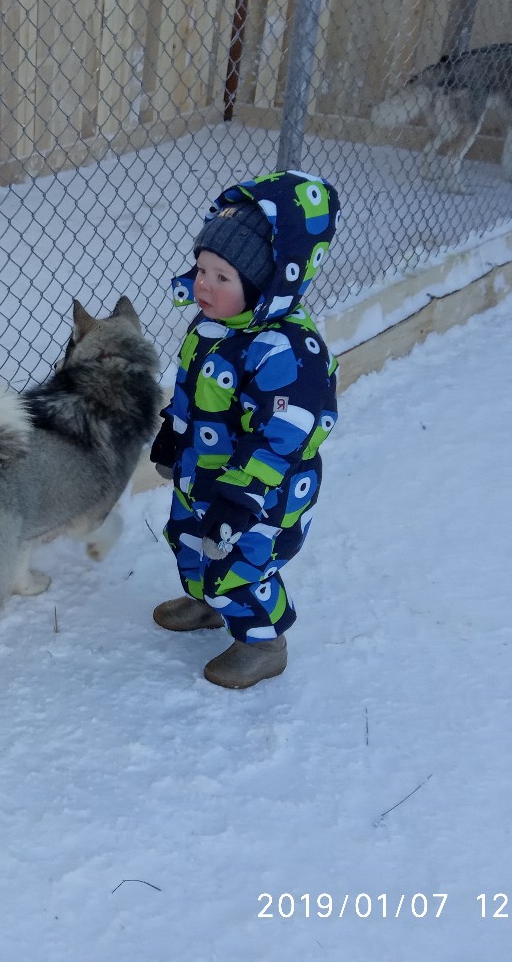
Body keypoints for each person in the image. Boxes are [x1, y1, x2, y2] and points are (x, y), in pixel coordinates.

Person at [148, 171, 340, 688]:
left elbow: (285, 435)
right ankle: (210, 603)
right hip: (202, 474)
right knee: (189, 538)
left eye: (222, 276)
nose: (203, 285)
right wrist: (174, 430)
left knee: (242, 562)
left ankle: (263, 642)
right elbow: (191, 388)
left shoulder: (287, 351)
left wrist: (242, 497)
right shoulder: (211, 327)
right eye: (201, 268)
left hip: (260, 491)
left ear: (265, 283)